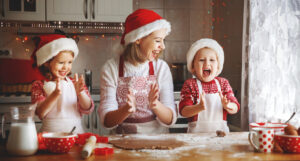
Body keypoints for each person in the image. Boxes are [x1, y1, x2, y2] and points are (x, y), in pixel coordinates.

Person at [98, 9, 177, 134]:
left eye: (163, 40)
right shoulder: (111, 68)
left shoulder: (161, 68)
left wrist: (156, 105)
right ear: (138, 39)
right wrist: (126, 110)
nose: (163, 46)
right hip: (122, 141)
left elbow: (170, 119)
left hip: (157, 142)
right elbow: (106, 120)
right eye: (157, 40)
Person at [31, 34, 94, 133]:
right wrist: (55, 95)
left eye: (69, 62)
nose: (66, 67)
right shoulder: (39, 85)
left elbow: (88, 108)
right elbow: (40, 113)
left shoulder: (75, 82)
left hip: (76, 134)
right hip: (50, 136)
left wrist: (80, 93)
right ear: (47, 62)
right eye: (61, 63)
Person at [179, 38, 240, 133]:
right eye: (201, 60)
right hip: (195, 139)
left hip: (220, 137)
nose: (207, 63)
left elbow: (235, 107)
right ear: (193, 66)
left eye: (212, 60)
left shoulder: (223, 83)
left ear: (218, 66)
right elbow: (183, 111)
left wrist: (228, 105)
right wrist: (198, 107)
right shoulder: (190, 84)